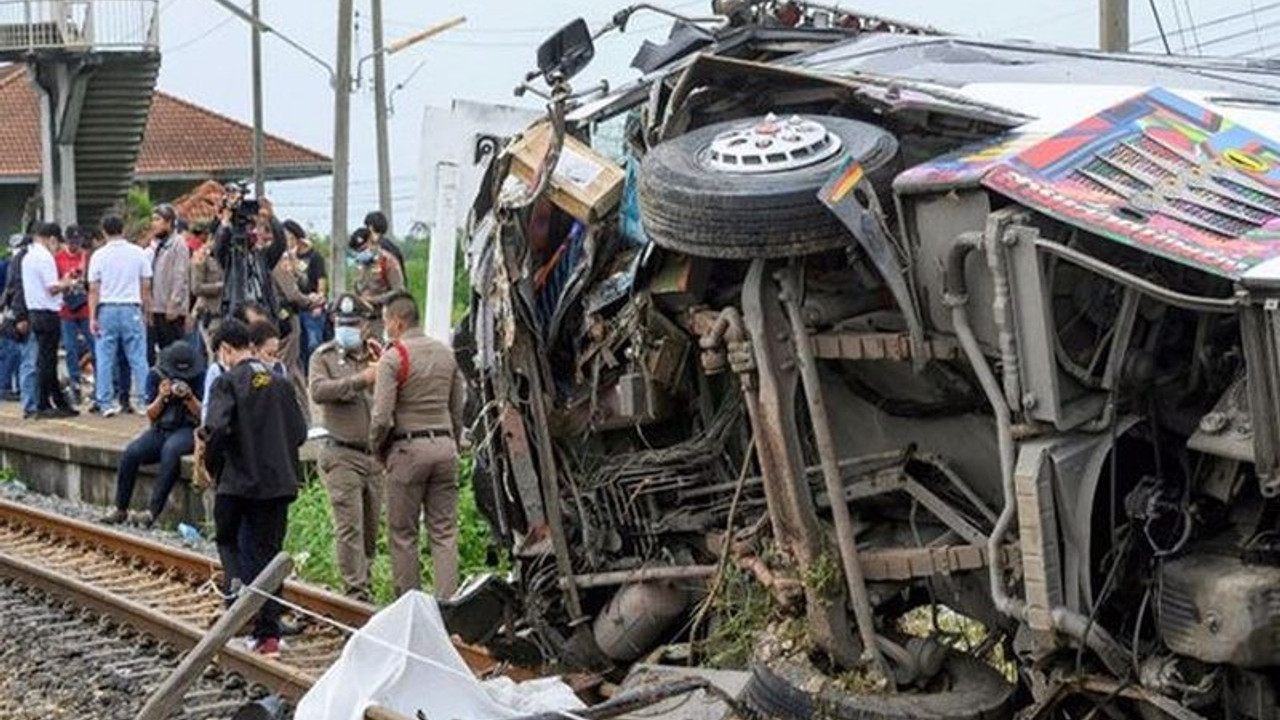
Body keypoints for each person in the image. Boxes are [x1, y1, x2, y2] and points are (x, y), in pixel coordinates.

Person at [201, 316, 307, 657]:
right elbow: (300, 432)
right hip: (277, 484)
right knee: (269, 554)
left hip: (237, 483)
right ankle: (268, 634)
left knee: (229, 541)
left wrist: (214, 466)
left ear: (228, 350)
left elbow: (215, 429)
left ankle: (237, 602)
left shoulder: (227, 383)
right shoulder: (279, 383)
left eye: (222, 353)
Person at [369, 292, 464, 598]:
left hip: (408, 451)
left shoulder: (393, 358)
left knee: (403, 535)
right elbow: (457, 410)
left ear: (396, 322)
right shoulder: (446, 354)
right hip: (445, 447)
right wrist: (453, 443)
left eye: (386, 322)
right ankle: (448, 607)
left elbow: (381, 417)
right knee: (444, 532)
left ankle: (411, 608)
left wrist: (377, 449)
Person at [309, 294, 382, 600]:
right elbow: (319, 391)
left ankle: (365, 579)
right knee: (349, 526)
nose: (346, 329)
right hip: (340, 453)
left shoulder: (379, 356)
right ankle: (356, 592)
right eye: (341, 323)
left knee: (370, 528)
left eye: (352, 324)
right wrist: (361, 380)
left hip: (375, 456)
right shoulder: (323, 357)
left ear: (365, 326)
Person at [100, 340, 205, 527]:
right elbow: (150, 414)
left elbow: (202, 414)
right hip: (160, 428)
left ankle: (152, 512)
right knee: (131, 452)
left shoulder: (199, 376)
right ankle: (120, 508)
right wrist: (162, 397)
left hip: (188, 428)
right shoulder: (156, 375)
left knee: (171, 451)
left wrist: (189, 397)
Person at [88, 214, 153, 417]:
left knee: (105, 357)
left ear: (104, 231)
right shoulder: (138, 253)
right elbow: (145, 285)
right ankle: (145, 399)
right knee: (138, 357)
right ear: (123, 229)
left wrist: (92, 316)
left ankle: (105, 402)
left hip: (107, 308)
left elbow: (93, 289)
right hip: (131, 307)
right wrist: (146, 311)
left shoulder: (98, 255)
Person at [23, 222, 78, 418]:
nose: (57, 248)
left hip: (34, 313)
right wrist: (68, 282)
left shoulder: (28, 256)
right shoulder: (44, 257)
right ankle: (43, 404)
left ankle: (51, 401)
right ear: (52, 239)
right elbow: (52, 288)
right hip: (48, 313)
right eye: (57, 244)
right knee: (47, 360)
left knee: (44, 359)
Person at [212, 186, 286, 320]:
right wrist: (226, 221)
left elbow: (280, 243)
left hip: (263, 312)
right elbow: (219, 247)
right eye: (248, 228)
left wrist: (272, 218)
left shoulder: (263, 257)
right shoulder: (230, 256)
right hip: (236, 314)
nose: (251, 232)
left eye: (253, 227)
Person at [283, 220, 327, 372]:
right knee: (298, 347)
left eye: (289, 236)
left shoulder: (314, 257)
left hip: (312, 306)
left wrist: (319, 304)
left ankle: (316, 373)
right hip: (296, 306)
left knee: (313, 344)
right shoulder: (287, 257)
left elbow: (321, 281)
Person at [55, 225, 92, 405]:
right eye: (71, 241)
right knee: (70, 348)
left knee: (94, 346)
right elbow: (54, 283)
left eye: (77, 241)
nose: (74, 245)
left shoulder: (87, 257)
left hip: (85, 307)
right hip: (66, 309)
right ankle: (75, 384)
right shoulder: (58, 258)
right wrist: (68, 279)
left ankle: (99, 387)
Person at [149, 204, 191, 356]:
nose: (153, 224)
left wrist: (174, 302)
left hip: (171, 309)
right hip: (158, 307)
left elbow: (180, 275)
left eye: (157, 220)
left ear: (168, 222)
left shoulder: (178, 244)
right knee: (163, 351)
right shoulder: (161, 244)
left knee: (174, 351)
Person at [350, 227, 404, 340]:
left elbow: (399, 291)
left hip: (381, 319)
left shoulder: (387, 261)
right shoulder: (358, 264)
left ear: (371, 242)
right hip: (362, 320)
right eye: (358, 251)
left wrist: (375, 300)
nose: (361, 253)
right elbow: (355, 288)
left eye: (364, 249)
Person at [189, 222, 224, 357]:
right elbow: (196, 287)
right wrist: (220, 287)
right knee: (215, 357)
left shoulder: (230, 256)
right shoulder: (202, 257)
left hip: (229, 315)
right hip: (212, 315)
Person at [0, 234, 26, 402]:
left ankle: (11, 386)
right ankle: (6, 386)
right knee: (12, 350)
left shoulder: (10, 265)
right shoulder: (8, 266)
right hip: (10, 312)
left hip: (12, 311)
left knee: (12, 351)